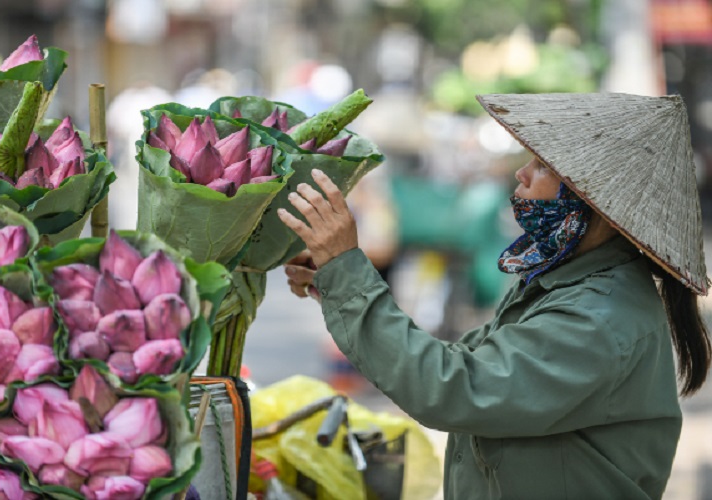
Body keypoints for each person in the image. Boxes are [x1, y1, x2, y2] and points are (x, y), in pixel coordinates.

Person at [277, 92, 712, 499]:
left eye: (541, 166)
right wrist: (335, 280)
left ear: (591, 201)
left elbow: (451, 388)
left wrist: (349, 273)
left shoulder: (597, 316)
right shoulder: (565, 283)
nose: (521, 174)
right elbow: (456, 360)